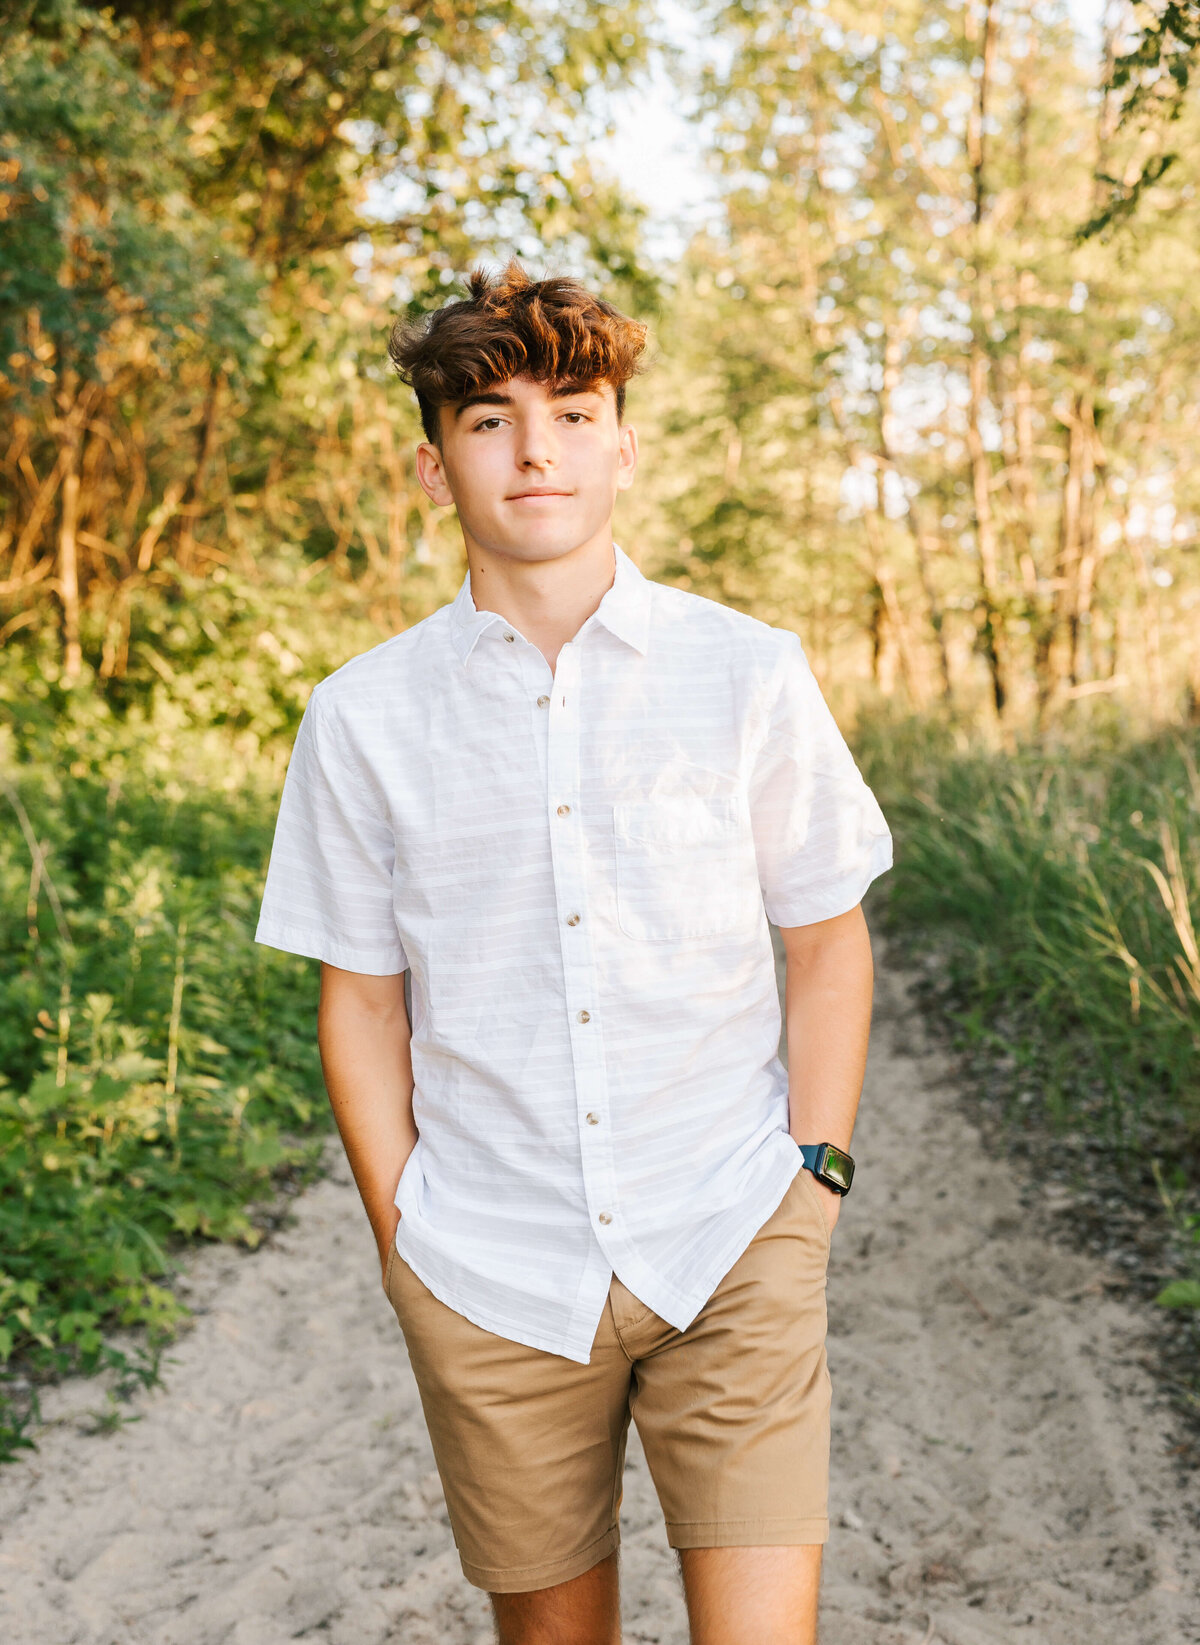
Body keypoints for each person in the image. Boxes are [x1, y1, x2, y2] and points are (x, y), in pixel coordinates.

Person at [255, 260, 891, 1645]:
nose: (535, 446)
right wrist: (402, 1235)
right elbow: (359, 1003)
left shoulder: (750, 671)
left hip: (732, 1234)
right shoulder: (360, 719)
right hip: (488, 1266)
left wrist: (815, 1180)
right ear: (436, 468)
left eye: (574, 409)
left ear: (624, 442)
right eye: (488, 419)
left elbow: (828, 938)